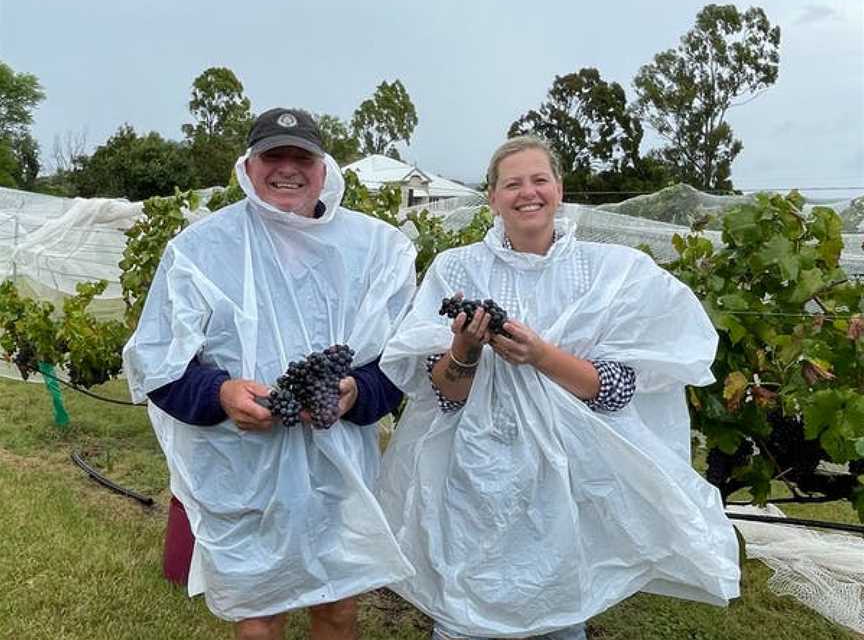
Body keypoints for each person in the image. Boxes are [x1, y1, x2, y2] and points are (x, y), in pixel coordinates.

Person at [376, 136, 741, 639]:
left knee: (558, 612)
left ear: (559, 189)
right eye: (512, 184)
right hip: (476, 478)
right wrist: (465, 351)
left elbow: (614, 391)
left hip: (566, 486)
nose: (528, 193)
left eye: (539, 180)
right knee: (467, 610)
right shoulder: (457, 270)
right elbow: (444, 396)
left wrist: (541, 356)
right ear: (492, 198)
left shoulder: (609, 273)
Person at [123, 107, 417, 640]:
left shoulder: (376, 248)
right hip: (242, 465)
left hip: (338, 466)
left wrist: (356, 393)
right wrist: (221, 393)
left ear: (323, 168)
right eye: (272, 156)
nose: (287, 169)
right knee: (258, 616)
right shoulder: (200, 250)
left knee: (338, 606)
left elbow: (400, 359)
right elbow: (157, 364)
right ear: (248, 165)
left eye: (300, 157)